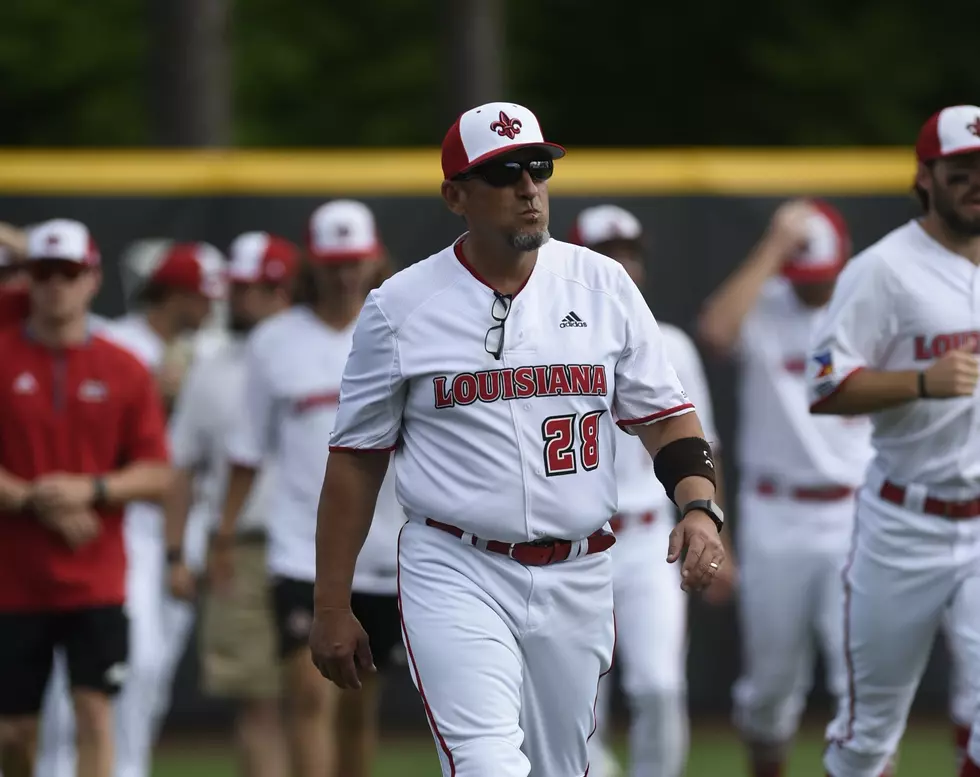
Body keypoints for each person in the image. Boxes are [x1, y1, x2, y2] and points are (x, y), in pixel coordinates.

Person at [308, 101, 726, 777]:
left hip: (580, 568)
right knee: (488, 765)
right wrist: (331, 602)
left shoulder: (602, 284)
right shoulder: (400, 306)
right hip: (456, 562)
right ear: (455, 196)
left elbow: (666, 417)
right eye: (503, 174)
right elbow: (355, 463)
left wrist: (700, 506)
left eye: (537, 168)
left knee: (563, 767)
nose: (529, 188)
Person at [805, 104, 980, 777]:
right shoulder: (884, 269)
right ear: (926, 177)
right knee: (867, 736)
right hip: (905, 522)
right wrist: (920, 382)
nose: (974, 181)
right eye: (960, 170)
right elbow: (824, 386)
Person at [216, 201, 406, 777]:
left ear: (373, 259)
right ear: (311, 264)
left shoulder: (405, 327)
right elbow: (247, 452)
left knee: (358, 705)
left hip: (388, 548)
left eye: (353, 261)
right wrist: (221, 536)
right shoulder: (273, 341)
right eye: (332, 262)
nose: (344, 274)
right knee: (308, 692)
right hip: (302, 548)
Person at [698, 199, 879, 777]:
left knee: (865, 683)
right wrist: (774, 249)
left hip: (854, 511)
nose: (811, 287)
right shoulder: (766, 305)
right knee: (772, 687)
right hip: (777, 510)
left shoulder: (867, 310)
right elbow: (715, 329)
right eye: (800, 276)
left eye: (819, 276)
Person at [37, 240, 226, 777]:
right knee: (116, 667)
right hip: (118, 523)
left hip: (182, 524)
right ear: (173, 294)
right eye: (201, 295)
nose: (210, 306)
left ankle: (128, 767)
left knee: (152, 675)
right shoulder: (114, 343)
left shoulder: (207, 351)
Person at [0, 218, 171, 777]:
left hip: (96, 575)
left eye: (69, 274)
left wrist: (90, 489)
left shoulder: (123, 366)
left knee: (95, 716)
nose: (56, 286)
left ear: (92, 279)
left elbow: (157, 473)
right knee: (13, 733)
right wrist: (32, 499)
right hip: (14, 580)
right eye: (44, 273)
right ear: (27, 279)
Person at [569, 204, 732, 777]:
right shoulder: (550, 343)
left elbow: (701, 448)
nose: (622, 264)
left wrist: (713, 525)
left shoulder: (672, 345)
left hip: (647, 541)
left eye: (630, 252)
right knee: (577, 702)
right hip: (575, 542)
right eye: (608, 253)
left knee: (661, 686)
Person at [164, 232, 298, 777]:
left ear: (285, 290)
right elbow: (182, 465)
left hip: (319, 547)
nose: (242, 301)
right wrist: (177, 553)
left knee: (323, 699)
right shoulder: (211, 366)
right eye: (238, 289)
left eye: (256, 289)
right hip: (239, 547)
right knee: (257, 702)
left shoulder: (329, 354)